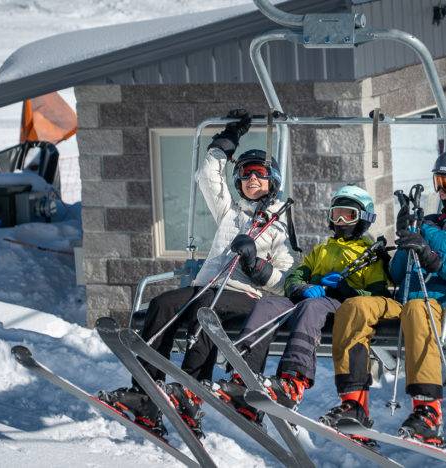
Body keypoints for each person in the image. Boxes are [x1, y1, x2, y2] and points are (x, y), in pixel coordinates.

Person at [99, 109, 297, 437]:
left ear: (271, 180)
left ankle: (191, 390)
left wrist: (255, 266)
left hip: (247, 298)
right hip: (208, 287)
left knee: (208, 313)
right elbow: (207, 176)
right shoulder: (231, 213)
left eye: (259, 175)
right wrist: (226, 140)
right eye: (246, 175)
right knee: (162, 304)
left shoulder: (281, 222)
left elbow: (286, 282)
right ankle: (146, 394)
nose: (252, 180)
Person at [321, 149, 446, 447]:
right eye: (437, 182)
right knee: (356, 306)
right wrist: (406, 237)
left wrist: (431, 257)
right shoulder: (427, 223)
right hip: (406, 303)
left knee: (419, 308)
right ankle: (354, 404)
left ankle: (428, 412)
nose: (440, 192)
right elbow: (397, 272)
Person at [214, 185, 391, 423]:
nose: (340, 220)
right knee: (268, 304)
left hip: (342, 305)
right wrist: (304, 287)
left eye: (348, 215)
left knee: (312, 307)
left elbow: (377, 294)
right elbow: (296, 277)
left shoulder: (370, 254)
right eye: (336, 214)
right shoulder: (322, 249)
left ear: (364, 219)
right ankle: (244, 377)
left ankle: (292, 381)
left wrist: (346, 289)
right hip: (314, 299)